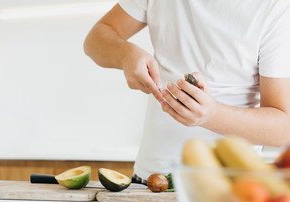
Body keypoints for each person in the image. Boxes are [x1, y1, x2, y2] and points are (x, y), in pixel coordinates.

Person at [84, 0, 290, 183]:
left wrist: (212, 115)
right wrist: (125, 54)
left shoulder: (275, 7)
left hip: (230, 190)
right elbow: (95, 39)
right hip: (150, 179)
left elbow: (282, 128)